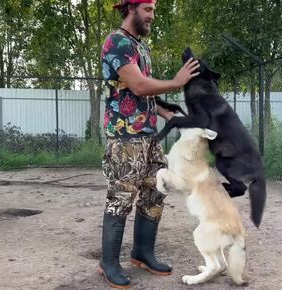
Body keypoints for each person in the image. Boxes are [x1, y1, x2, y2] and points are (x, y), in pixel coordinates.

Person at [99, 0, 200, 288]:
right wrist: (177, 81)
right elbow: (140, 85)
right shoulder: (116, 42)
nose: (152, 17)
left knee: (156, 190)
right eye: (148, 10)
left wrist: (165, 111)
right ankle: (108, 264)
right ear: (131, 9)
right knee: (121, 199)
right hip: (125, 138)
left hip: (148, 136)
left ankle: (142, 252)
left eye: (153, 10)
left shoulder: (140, 46)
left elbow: (143, 95)